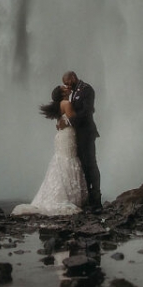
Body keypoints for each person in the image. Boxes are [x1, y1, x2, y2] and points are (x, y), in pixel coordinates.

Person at [11, 86, 88, 216]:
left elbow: (65, 120)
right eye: (64, 87)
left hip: (61, 136)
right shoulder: (66, 103)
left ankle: (62, 194)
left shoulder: (59, 105)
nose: (67, 87)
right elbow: (76, 121)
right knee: (68, 161)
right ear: (63, 93)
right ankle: (68, 196)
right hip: (67, 135)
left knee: (62, 162)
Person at [61, 71, 102, 211]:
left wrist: (69, 122)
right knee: (82, 165)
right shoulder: (73, 92)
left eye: (67, 82)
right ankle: (86, 198)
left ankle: (96, 200)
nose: (67, 85)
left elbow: (87, 111)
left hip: (87, 133)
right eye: (65, 84)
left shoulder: (87, 89)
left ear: (73, 77)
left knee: (90, 164)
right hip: (77, 135)